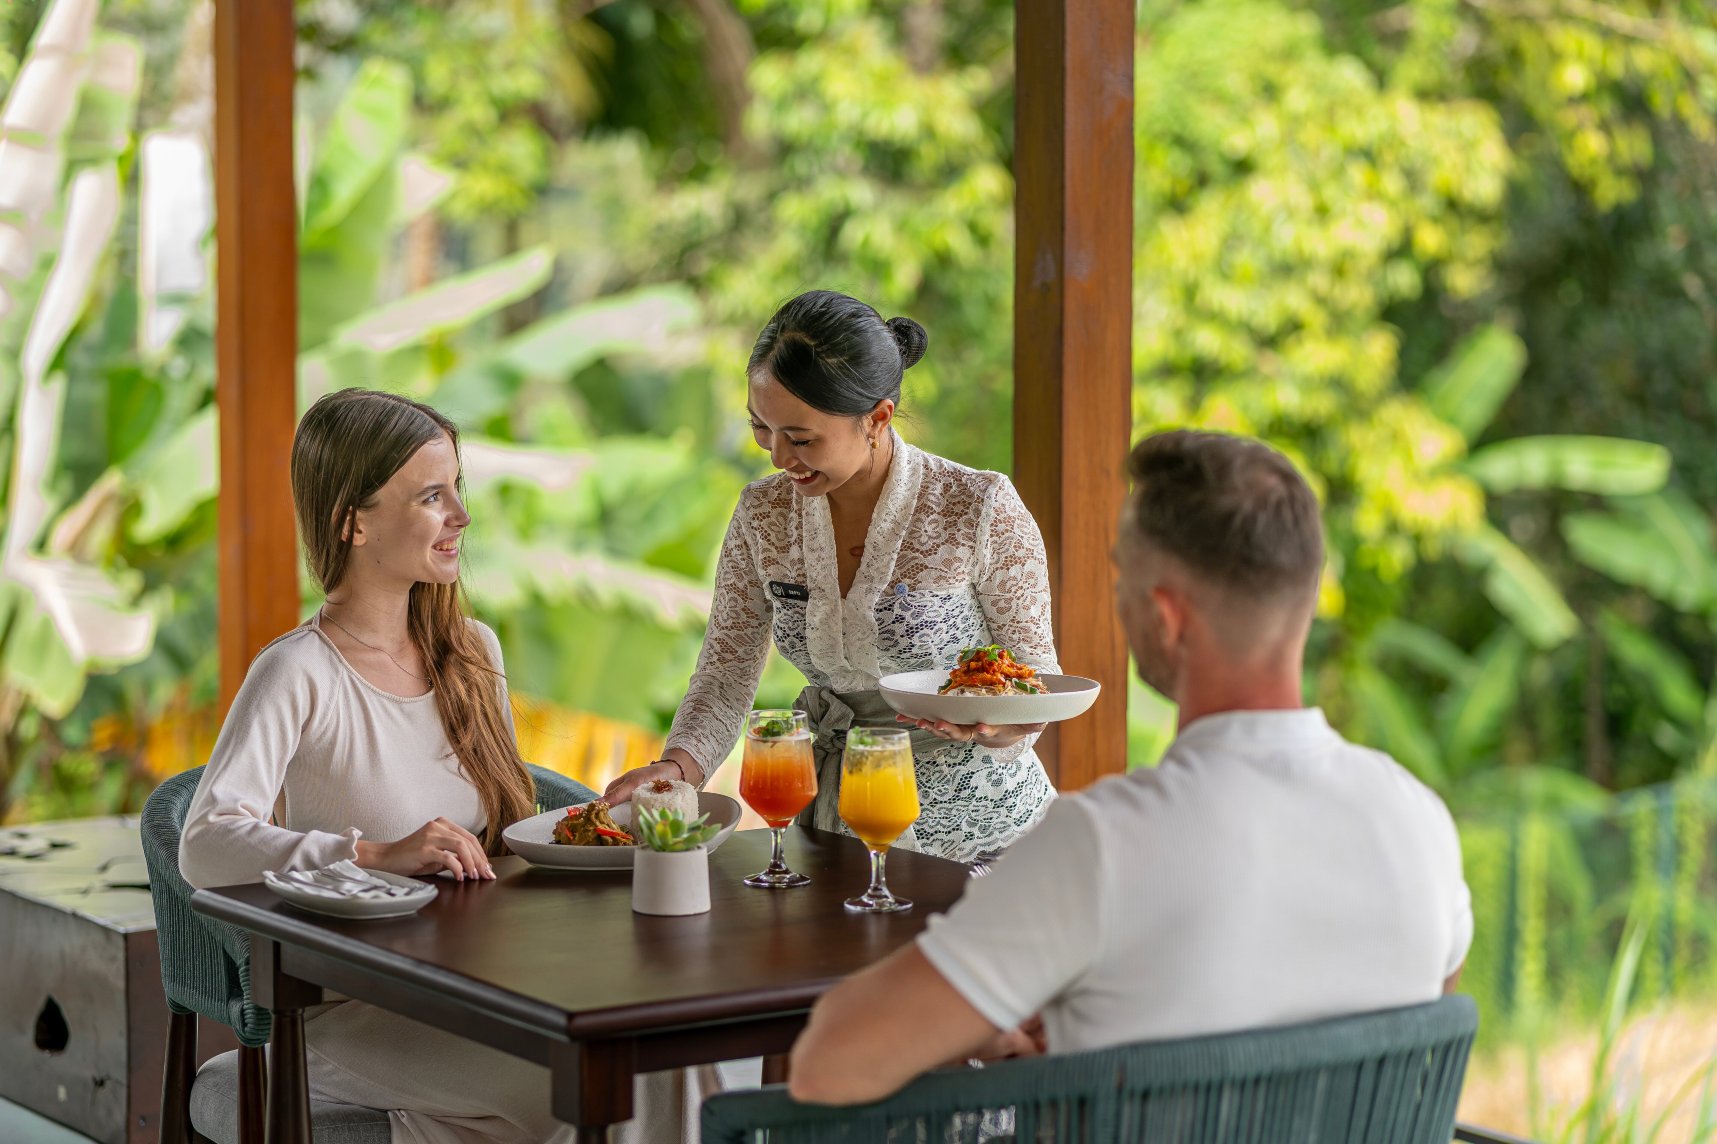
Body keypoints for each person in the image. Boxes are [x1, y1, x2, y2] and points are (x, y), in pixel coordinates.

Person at [786, 429, 1474, 1105]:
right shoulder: (1419, 821)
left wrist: (1013, 1048)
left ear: (1167, 618)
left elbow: (827, 1066)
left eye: (1123, 576)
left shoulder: (1099, 844)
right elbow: (1406, 1041)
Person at [179, 388, 705, 1144]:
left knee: (670, 1056)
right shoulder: (297, 672)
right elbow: (206, 840)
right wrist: (374, 855)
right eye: (432, 495)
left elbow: (507, 842)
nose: (461, 515)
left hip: (489, 987)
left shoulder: (472, 652)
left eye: (457, 488)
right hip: (363, 1013)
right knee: (621, 1080)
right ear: (351, 521)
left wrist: (613, 829)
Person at [603, 289, 1058, 863]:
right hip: (834, 834)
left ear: (877, 418)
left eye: (801, 438)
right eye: (761, 429)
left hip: (984, 846)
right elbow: (726, 672)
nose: (776, 456)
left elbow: (1037, 684)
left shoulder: (978, 506)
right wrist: (677, 767)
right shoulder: (762, 515)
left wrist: (996, 726)